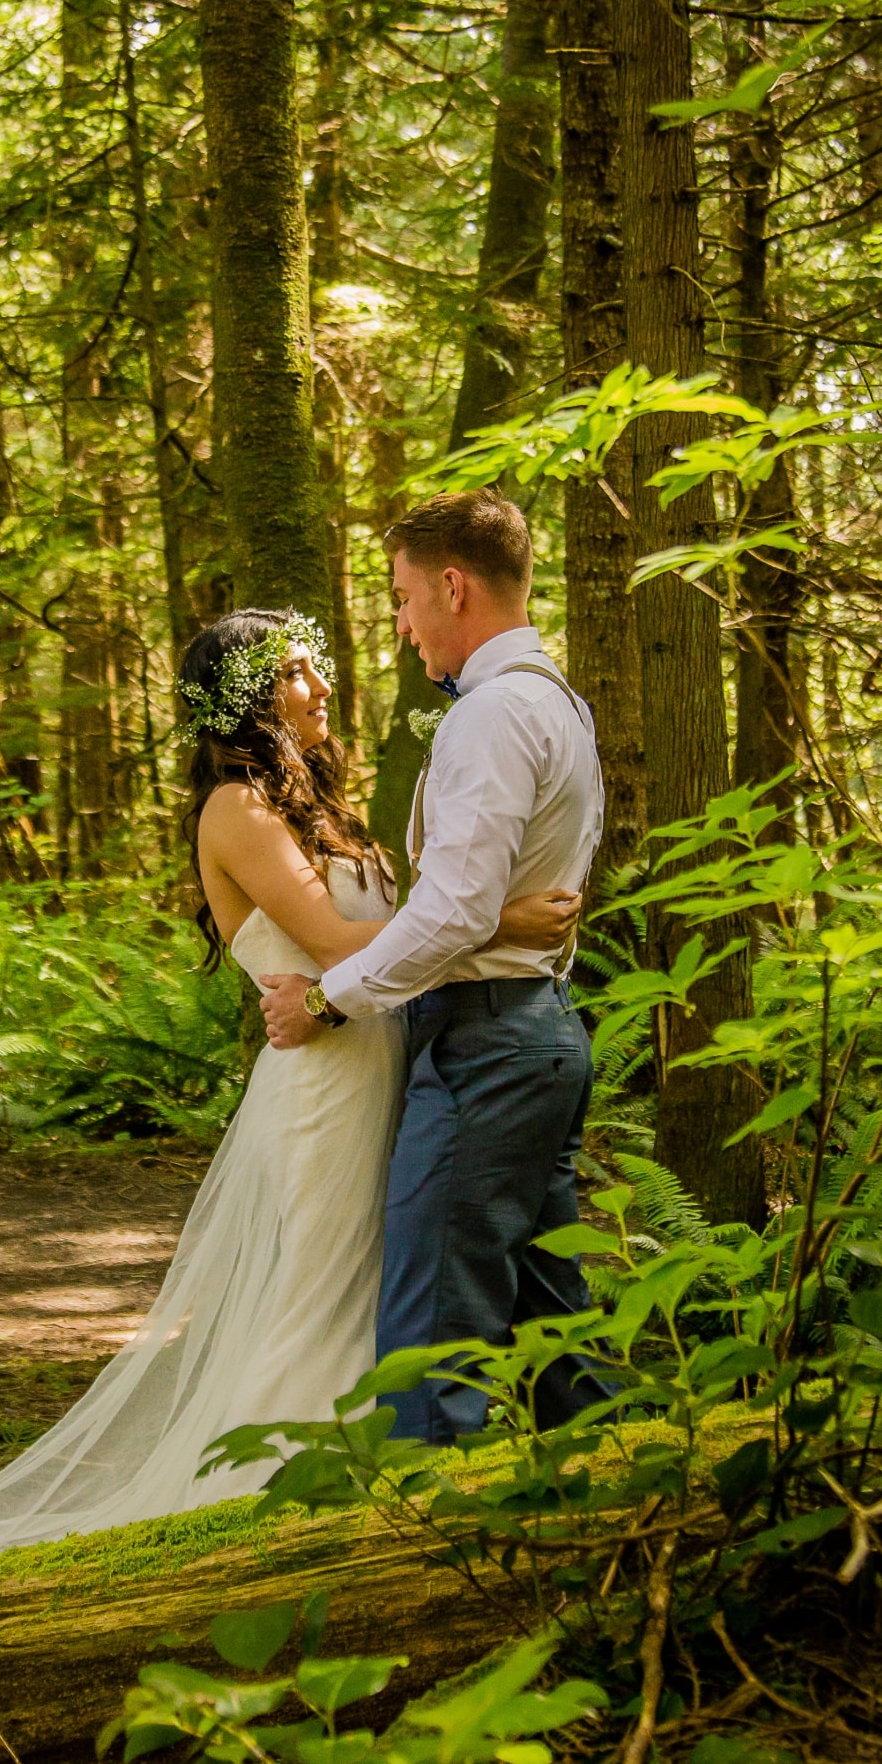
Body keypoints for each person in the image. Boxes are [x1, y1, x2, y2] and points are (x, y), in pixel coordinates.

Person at [0, 605, 579, 1579]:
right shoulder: (234, 813)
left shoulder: (322, 811)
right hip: (322, 1094)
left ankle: (368, 1498)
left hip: (380, 1069)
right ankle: (268, 1525)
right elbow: (330, 946)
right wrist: (501, 919)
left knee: (377, 1293)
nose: (320, 688)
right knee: (318, 1296)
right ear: (244, 698)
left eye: (314, 670)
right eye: (293, 674)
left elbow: (393, 945)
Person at [257, 488, 610, 1444]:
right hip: (534, 1034)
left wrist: (329, 1000)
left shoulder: (492, 716)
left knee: (431, 1331)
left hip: (483, 1046)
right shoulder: (558, 705)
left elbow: (451, 910)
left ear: (452, 586)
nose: (403, 624)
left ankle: (414, 1538)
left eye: (405, 598)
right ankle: (612, 1498)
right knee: (552, 1322)